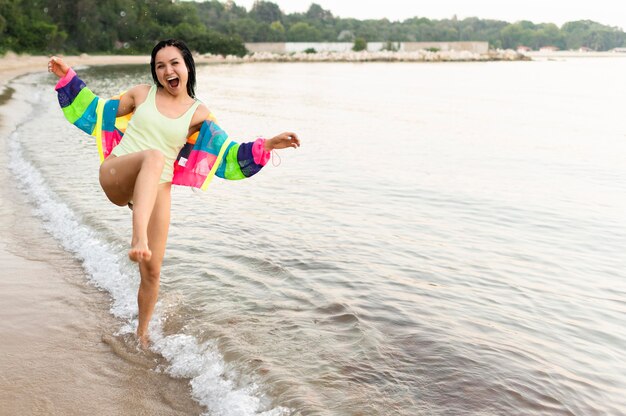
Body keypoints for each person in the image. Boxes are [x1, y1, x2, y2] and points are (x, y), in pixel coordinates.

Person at [48, 39, 300, 348]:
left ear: (187, 68)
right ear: (155, 73)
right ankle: (137, 237)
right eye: (160, 65)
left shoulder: (199, 114)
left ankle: (141, 335)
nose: (167, 70)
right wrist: (68, 78)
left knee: (152, 271)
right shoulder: (141, 94)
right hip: (118, 173)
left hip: (157, 189)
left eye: (174, 63)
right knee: (153, 156)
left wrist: (268, 145)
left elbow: (226, 155)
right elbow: (97, 111)